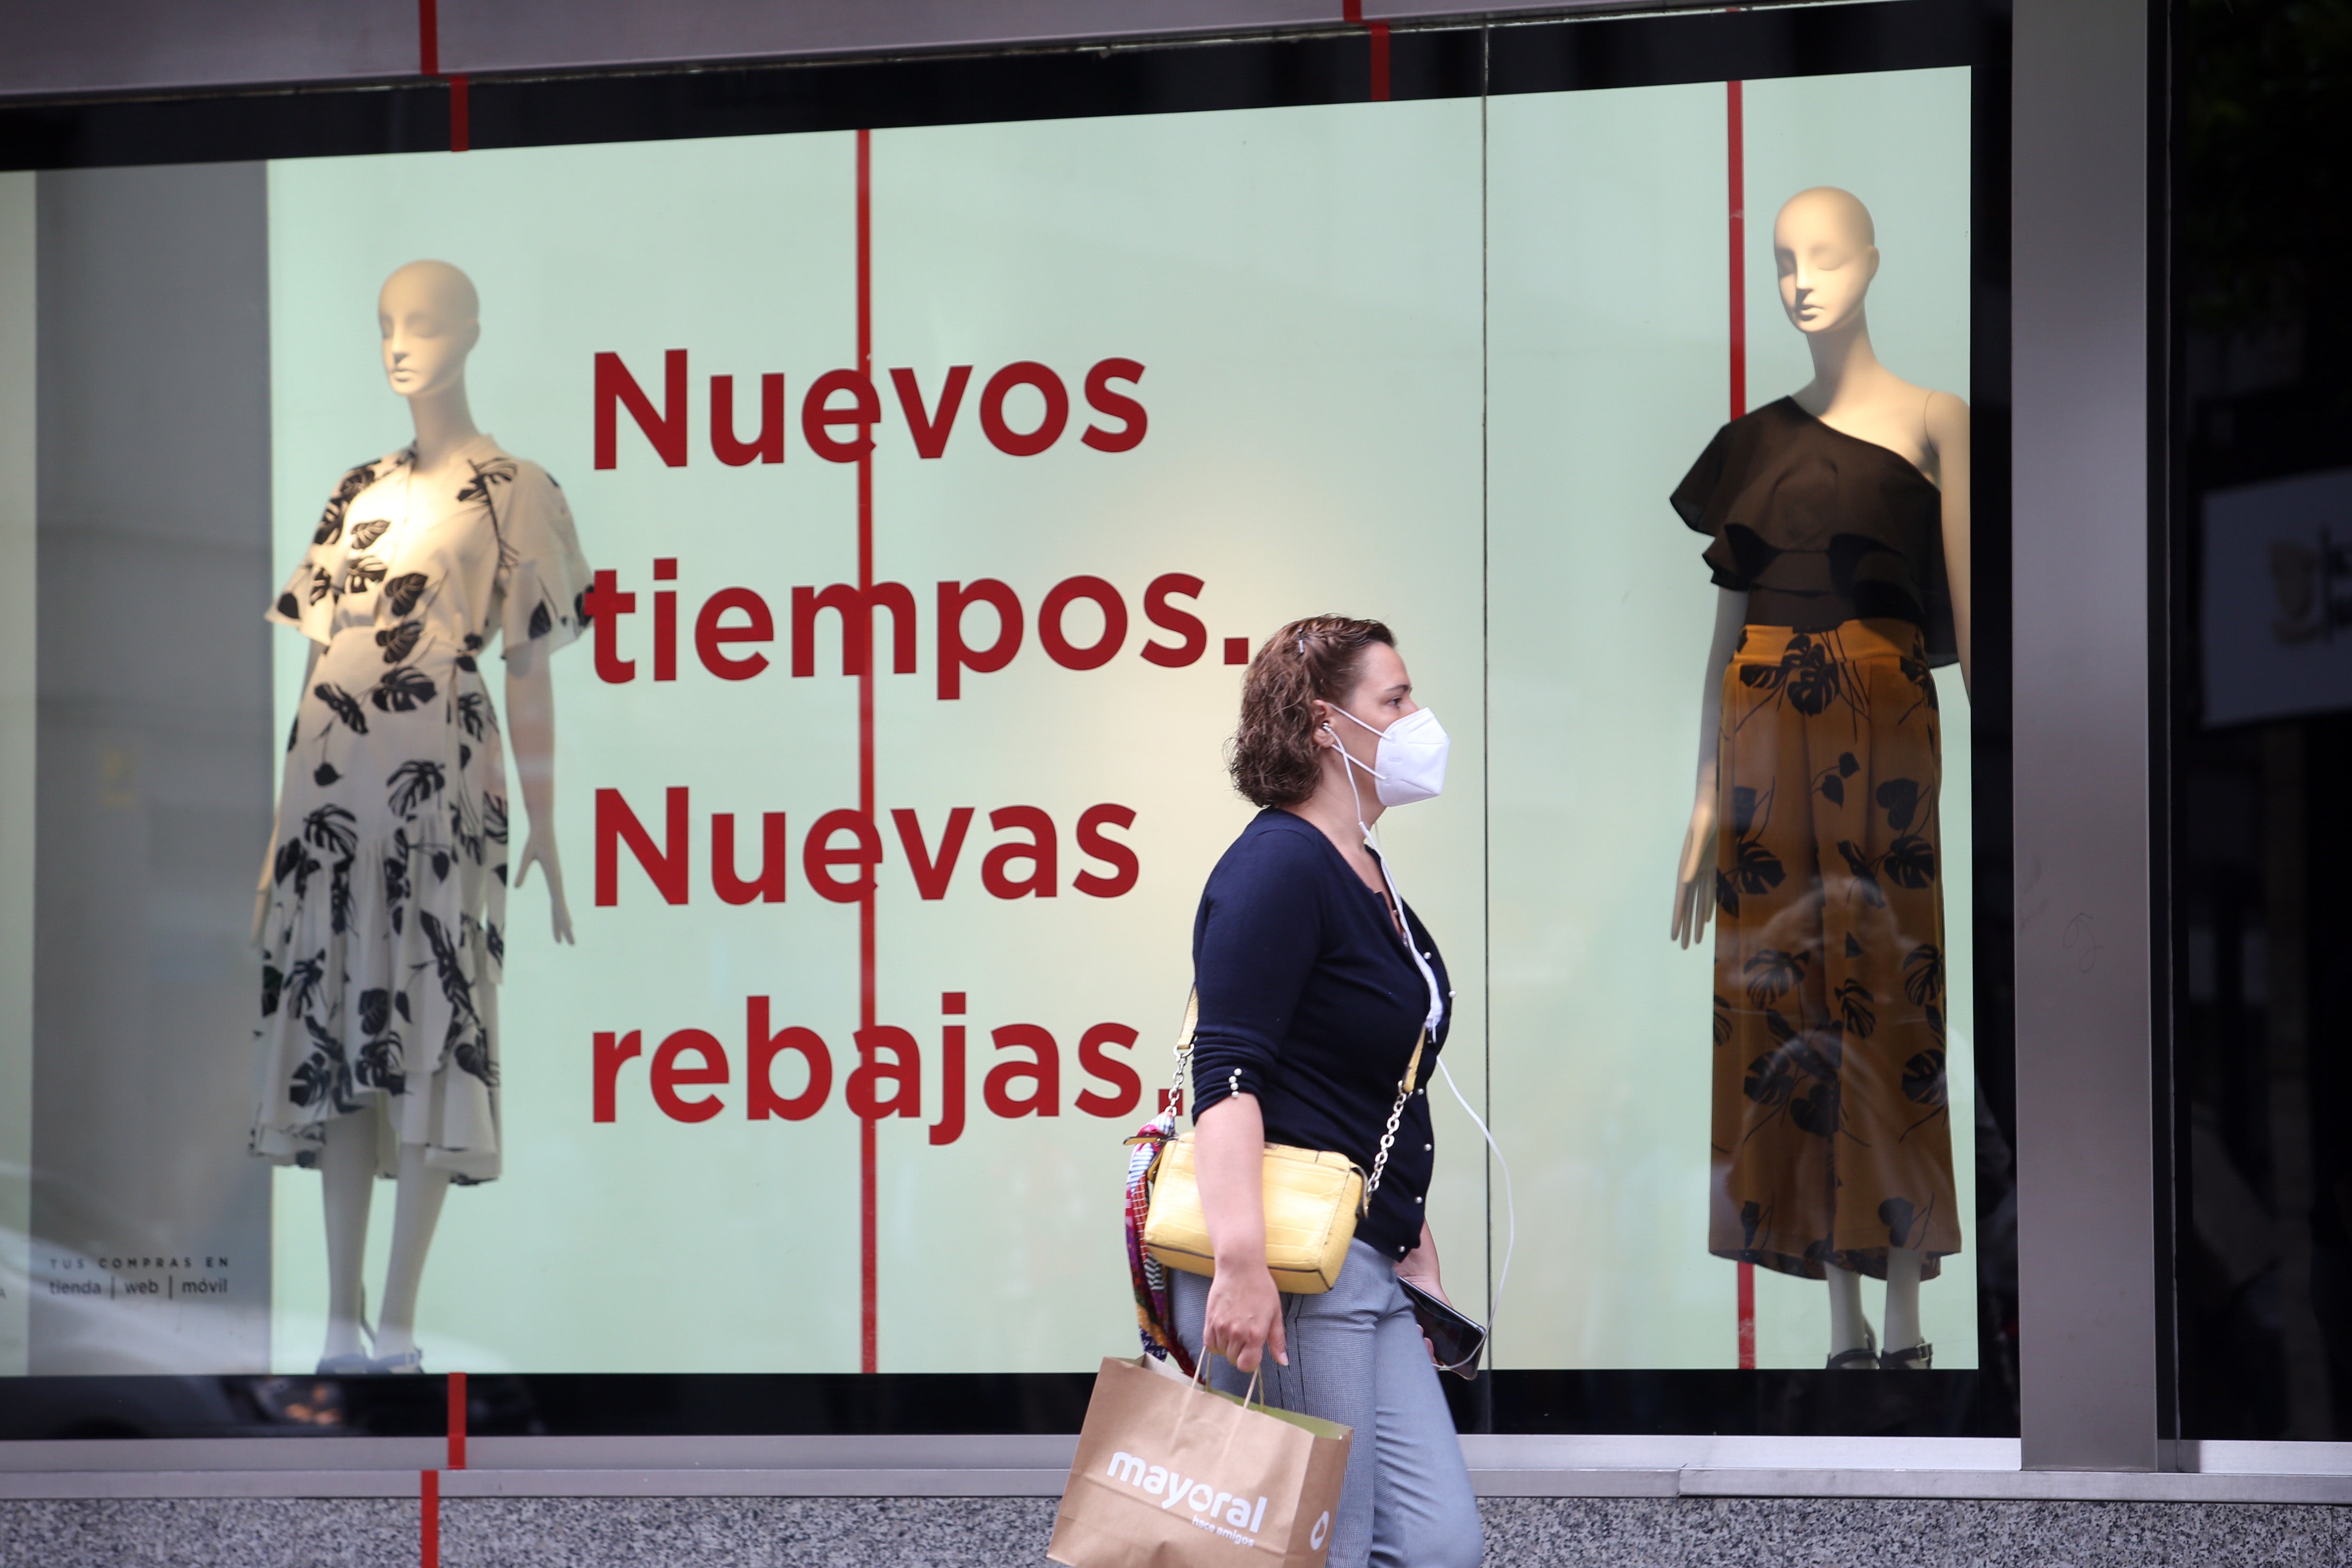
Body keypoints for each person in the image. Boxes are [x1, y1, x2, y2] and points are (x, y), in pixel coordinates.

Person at [1171, 614, 1482, 1568]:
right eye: (1394, 700)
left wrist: (1412, 1247)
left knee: (1435, 1545)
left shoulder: (1363, 871)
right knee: (1323, 1550)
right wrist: (1240, 1267)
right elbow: (1224, 1077)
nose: (1417, 719)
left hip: (1365, 1260)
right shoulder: (1277, 867)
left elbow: (1375, 1089)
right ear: (1323, 726)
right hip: (1295, 1266)